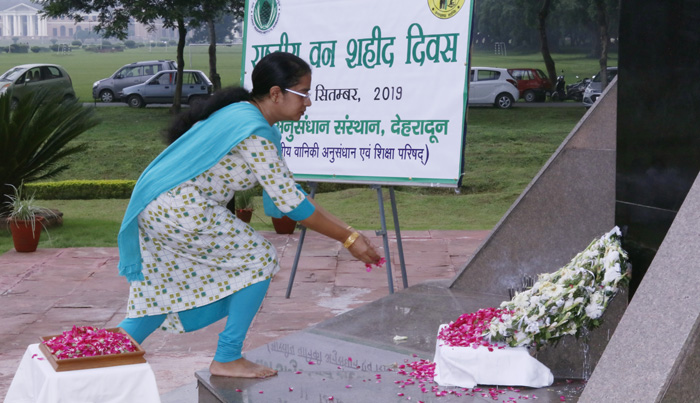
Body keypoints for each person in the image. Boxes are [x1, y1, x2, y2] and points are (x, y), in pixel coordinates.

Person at [116, 52, 382, 379]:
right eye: (302, 93)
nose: (308, 102)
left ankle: (91, 359)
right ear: (276, 93)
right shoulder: (253, 131)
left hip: (158, 206)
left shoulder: (242, 114)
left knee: (158, 293)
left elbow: (292, 194)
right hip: (182, 208)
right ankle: (227, 357)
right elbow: (292, 204)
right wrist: (349, 238)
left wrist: (349, 233)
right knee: (259, 260)